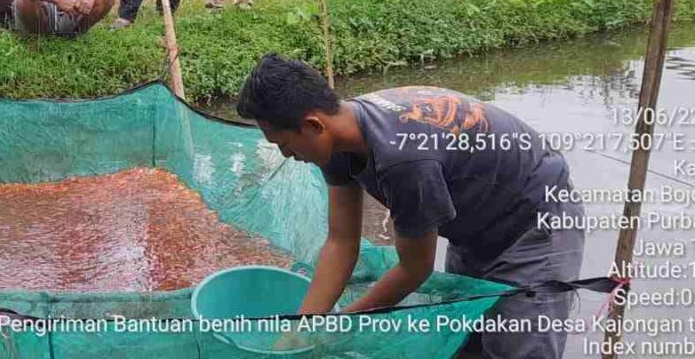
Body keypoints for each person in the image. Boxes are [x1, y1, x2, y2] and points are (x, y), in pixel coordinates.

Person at [237, 54, 584, 358]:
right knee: (466, 334)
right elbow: (342, 241)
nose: (286, 156)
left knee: (517, 344)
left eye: (283, 144)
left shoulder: (403, 160)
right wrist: (305, 326)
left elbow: (415, 267)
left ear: (313, 125)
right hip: (476, 224)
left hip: (538, 219)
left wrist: (344, 324)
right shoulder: (337, 137)